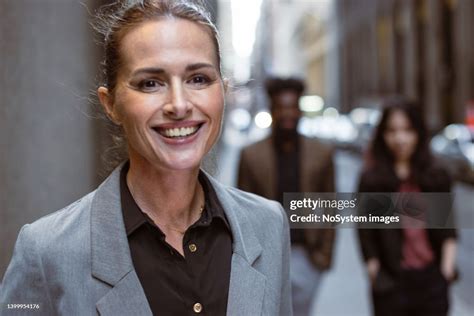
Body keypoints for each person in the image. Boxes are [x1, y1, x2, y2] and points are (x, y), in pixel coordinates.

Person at [0, 1, 292, 315]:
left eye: (198, 79)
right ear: (110, 103)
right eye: (150, 83)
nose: (179, 105)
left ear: (223, 90)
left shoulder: (269, 224)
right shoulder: (46, 253)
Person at [238, 77, 335, 316]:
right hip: (268, 256)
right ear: (272, 110)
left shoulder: (321, 154)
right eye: (281, 107)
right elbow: (242, 211)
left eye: (292, 107)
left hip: (307, 255)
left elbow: (330, 205)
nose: (287, 114)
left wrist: (323, 256)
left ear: (300, 110)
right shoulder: (251, 155)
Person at [357, 97, 457, 316]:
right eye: (392, 131)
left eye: (407, 130)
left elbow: (447, 228)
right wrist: (374, 270)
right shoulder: (373, 180)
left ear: (419, 133)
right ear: (383, 135)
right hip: (391, 282)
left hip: (431, 281)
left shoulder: (435, 176)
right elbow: (366, 232)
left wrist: (446, 269)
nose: (400, 138)